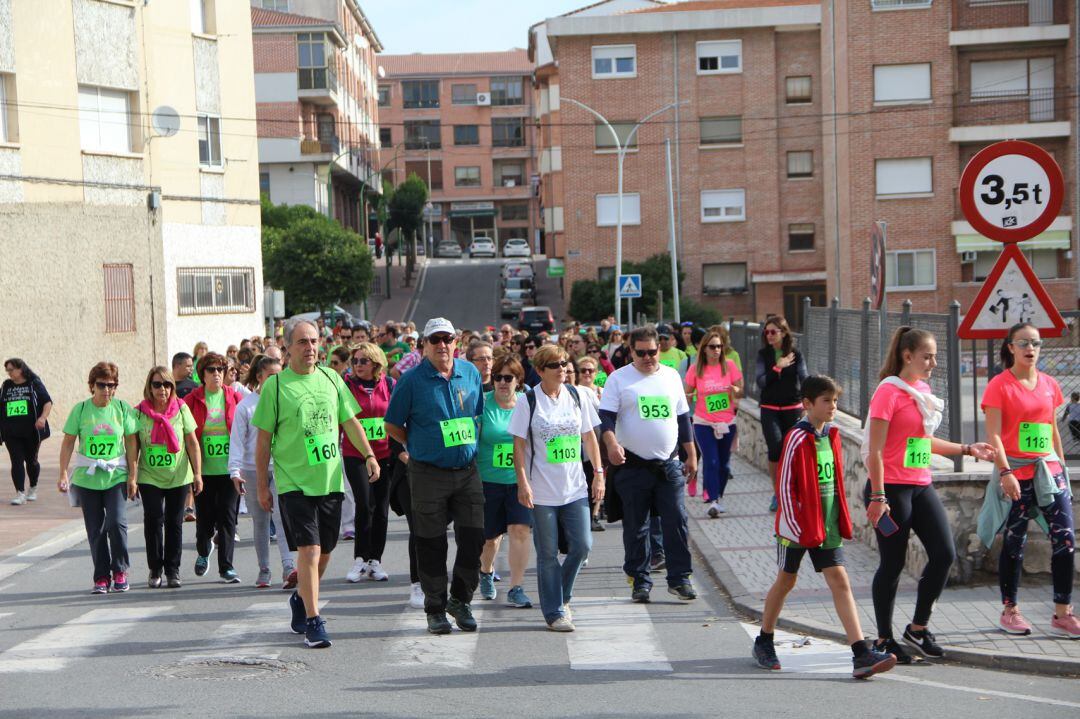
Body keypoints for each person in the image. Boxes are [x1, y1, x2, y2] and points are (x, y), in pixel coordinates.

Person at [865, 327, 995, 662]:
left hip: (920, 484)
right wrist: (878, 496)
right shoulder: (888, 392)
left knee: (944, 554)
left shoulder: (921, 390)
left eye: (935, 356)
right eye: (928, 356)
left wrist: (968, 448)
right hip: (890, 489)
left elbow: (922, 442)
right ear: (907, 355)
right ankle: (883, 639)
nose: (934, 362)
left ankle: (918, 629)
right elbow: (874, 452)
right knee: (892, 565)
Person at [753, 376, 897, 678]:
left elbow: (834, 483)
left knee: (840, 581)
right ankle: (764, 640)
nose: (833, 406)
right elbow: (784, 487)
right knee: (786, 582)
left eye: (835, 400)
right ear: (807, 404)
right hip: (797, 528)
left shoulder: (830, 435)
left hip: (825, 527)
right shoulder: (795, 437)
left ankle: (860, 653)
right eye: (826, 401)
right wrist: (793, 526)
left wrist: (839, 519)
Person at [253, 318, 380, 648]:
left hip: (329, 480)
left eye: (314, 341)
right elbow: (264, 442)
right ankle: (313, 619)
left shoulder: (331, 377)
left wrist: (368, 454)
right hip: (294, 482)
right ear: (288, 348)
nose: (310, 348)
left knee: (325, 551)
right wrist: (263, 487)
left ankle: (300, 597)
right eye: (302, 342)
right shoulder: (276, 387)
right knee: (309, 550)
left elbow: (349, 421)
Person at [385, 317, 486, 635]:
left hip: (467, 470)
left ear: (456, 342)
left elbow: (476, 414)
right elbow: (392, 425)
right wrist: (415, 446)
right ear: (424, 345)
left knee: (474, 538)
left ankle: (461, 599)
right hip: (428, 472)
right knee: (430, 542)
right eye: (435, 340)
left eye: (448, 339)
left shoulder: (469, 372)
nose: (442, 345)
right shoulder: (411, 380)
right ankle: (435, 608)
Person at [979, 323, 1078, 638]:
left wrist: (1061, 468)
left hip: (1049, 472)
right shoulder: (999, 385)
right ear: (1010, 347)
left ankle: (1062, 612)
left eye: (1035, 343)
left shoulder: (1049, 384)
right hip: (1016, 472)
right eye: (1023, 343)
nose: (1030, 348)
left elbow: (1050, 428)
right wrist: (1005, 471)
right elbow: (993, 434)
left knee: (1065, 539)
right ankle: (1010, 610)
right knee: (1014, 542)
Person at [599, 325, 698, 603]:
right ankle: (639, 580)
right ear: (631, 352)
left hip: (668, 464)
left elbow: (682, 418)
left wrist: (691, 454)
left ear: (659, 349)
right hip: (633, 465)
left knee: (676, 520)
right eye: (640, 353)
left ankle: (680, 579)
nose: (647, 357)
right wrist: (611, 444)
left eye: (652, 352)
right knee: (636, 525)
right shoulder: (618, 379)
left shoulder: (670, 377)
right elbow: (606, 417)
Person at [510, 344, 603, 631]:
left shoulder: (577, 395)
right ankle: (554, 611)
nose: (562, 369)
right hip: (542, 490)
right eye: (555, 365)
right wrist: (523, 482)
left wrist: (599, 473)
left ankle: (561, 595)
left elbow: (589, 437)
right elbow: (518, 445)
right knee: (548, 552)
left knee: (582, 546)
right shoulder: (529, 401)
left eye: (564, 363)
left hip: (574, 487)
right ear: (540, 371)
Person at [58, 362, 138, 594]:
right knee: (95, 529)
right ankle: (101, 577)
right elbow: (68, 442)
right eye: (101, 385)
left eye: (111, 385)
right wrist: (63, 472)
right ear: (92, 386)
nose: (106, 390)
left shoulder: (122, 409)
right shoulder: (81, 410)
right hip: (87, 478)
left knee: (116, 522)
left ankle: (120, 570)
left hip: (116, 475)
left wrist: (133, 475)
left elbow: (132, 442)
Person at [229, 355, 297, 590]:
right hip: (251, 470)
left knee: (282, 518)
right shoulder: (245, 406)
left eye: (280, 376)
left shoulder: (286, 402)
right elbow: (237, 442)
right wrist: (235, 472)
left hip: (280, 469)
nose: (276, 381)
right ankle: (264, 569)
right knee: (260, 522)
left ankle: (289, 567)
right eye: (271, 376)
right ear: (259, 377)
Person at [131, 366, 202, 589]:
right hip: (149, 475)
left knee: (174, 522)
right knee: (153, 519)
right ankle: (155, 568)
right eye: (157, 384)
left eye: (167, 384)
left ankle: (173, 570)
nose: (163, 389)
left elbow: (192, 442)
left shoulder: (181, 409)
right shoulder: (139, 412)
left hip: (178, 476)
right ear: (149, 387)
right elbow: (133, 448)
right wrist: (132, 477)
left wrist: (198, 473)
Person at [476, 354, 534, 608]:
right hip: (487, 481)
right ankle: (486, 572)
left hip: (520, 481)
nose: (501, 382)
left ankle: (516, 587)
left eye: (507, 377)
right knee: (490, 538)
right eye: (497, 376)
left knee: (520, 530)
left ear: (518, 381)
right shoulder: (482, 403)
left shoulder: (527, 403)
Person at [184, 352, 243, 583]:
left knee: (228, 518)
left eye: (220, 369)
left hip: (229, 470)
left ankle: (226, 567)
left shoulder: (234, 396)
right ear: (203, 374)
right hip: (203, 472)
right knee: (206, 520)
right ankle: (202, 549)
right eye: (211, 370)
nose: (217, 374)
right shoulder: (192, 400)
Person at [343, 343, 395, 584]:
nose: (358, 365)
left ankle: (376, 559)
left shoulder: (389, 385)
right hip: (356, 453)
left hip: (384, 454)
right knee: (364, 504)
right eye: (355, 361)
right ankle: (360, 558)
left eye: (363, 361)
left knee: (381, 508)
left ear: (375, 363)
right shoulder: (347, 386)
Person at [685, 328, 743, 515]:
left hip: (727, 422)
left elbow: (741, 391)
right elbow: (686, 394)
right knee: (711, 460)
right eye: (712, 347)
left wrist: (735, 390)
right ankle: (713, 500)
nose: (716, 350)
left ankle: (717, 495)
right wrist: (683, 417)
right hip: (703, 422)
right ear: (704, 349)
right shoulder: (696, 368)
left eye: (719, 346)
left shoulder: (730, 366)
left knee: (724, 465)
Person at [755, 316, 807, 513]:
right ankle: (778, 492)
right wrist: (778, 367)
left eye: (773, 332)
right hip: (769, 409)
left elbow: (804, 377)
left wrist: (810, 396)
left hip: (792, 408)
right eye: (766, 332)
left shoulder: (796, 354)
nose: (769, 335)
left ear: (784, 333)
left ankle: (793, 491)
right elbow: (760, 381)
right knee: (775, 449)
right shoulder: (763, 354)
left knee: (792, 451)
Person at [2, 359, 52, 505]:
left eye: (11, 369)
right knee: (16, 461)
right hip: (11, 431)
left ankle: (33, 487)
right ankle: (20, 493)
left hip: (31, 431)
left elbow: (47, 402)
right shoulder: (6, 385)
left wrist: (42, 418)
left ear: (20, 369)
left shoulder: (34, 383)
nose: (9, 373)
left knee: (31, 461)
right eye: (7, 370)